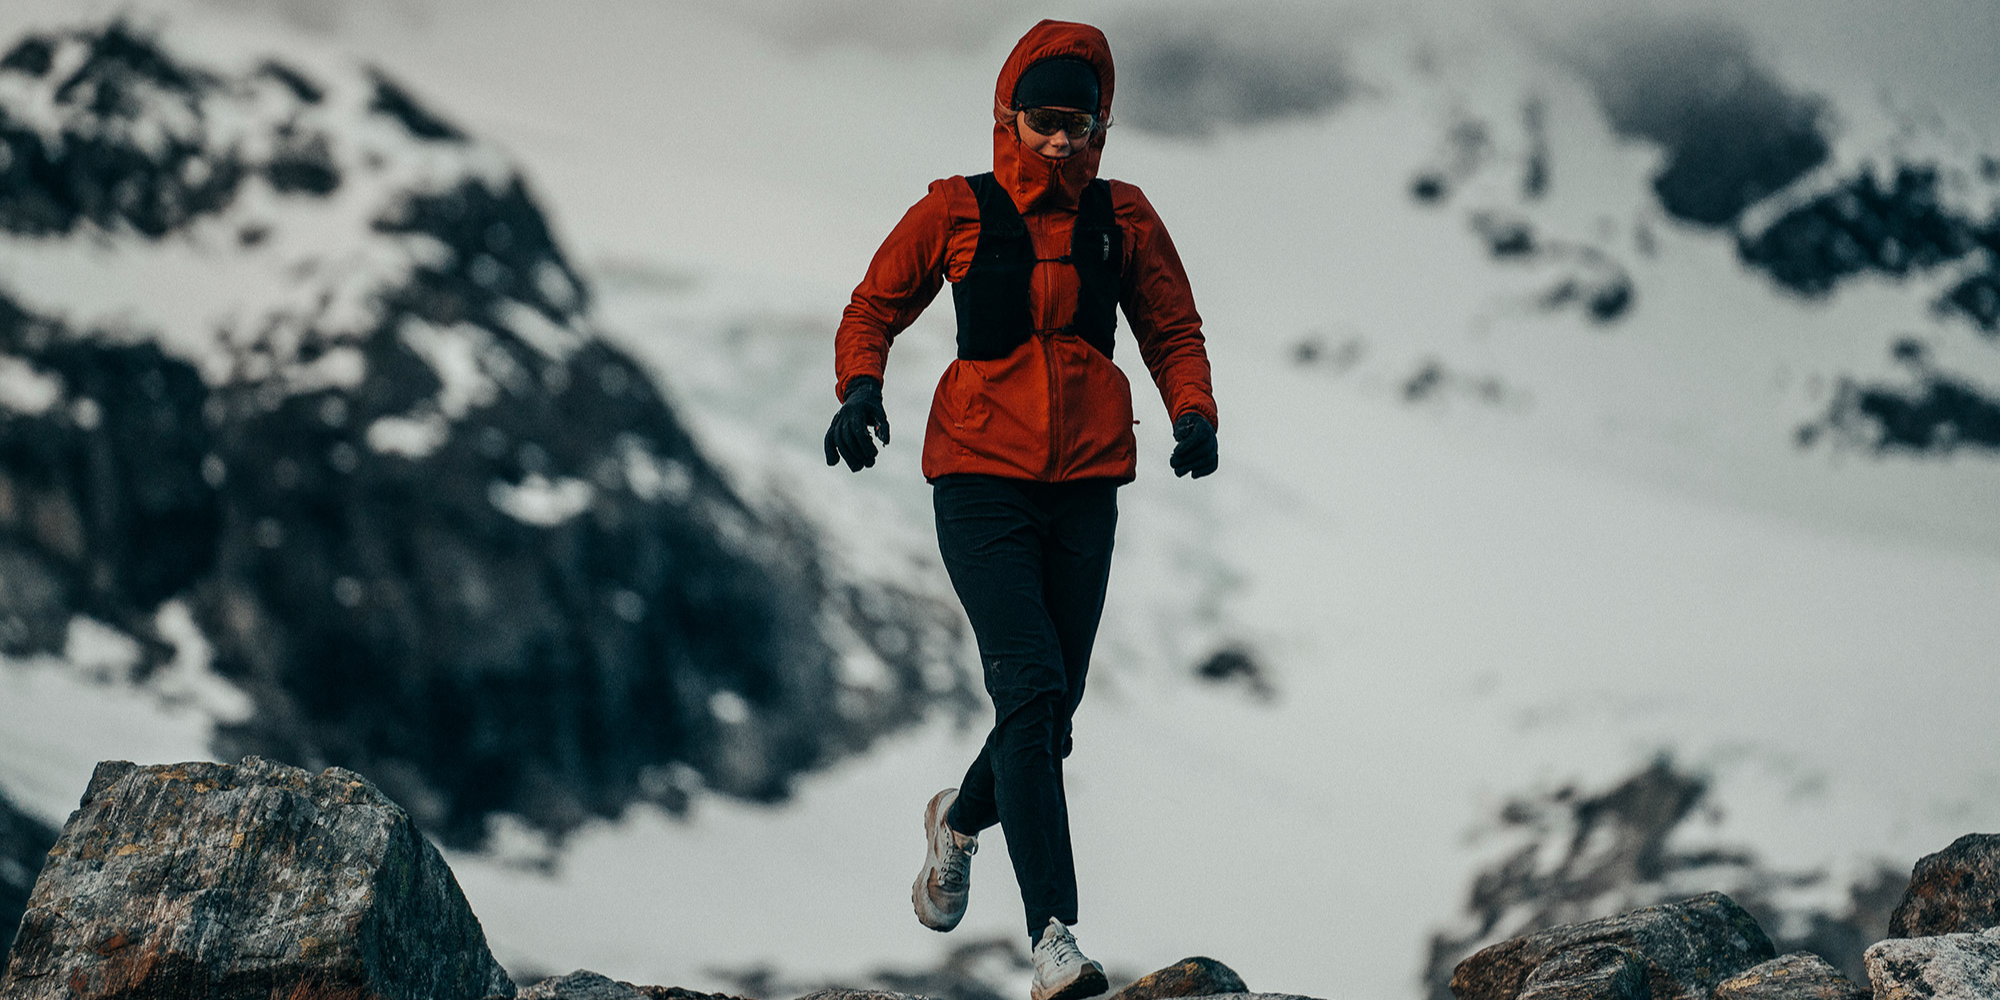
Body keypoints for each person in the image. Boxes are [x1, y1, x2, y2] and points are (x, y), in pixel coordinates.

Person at [824, 19, 1217, 1000]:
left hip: (1085, 487)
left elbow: (1170, 326)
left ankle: (956, 823)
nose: (1059, 140)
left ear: (1099, 125)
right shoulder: (955, 210)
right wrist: (859, 389)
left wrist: (1194, 412)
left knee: (1049, 713)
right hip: (978, 480)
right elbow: (873, 307)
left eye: (1077, 123)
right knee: (1033, 689)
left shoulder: (1123, 218)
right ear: (1010, 117)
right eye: (1044, 121)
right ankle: (1053, 942)